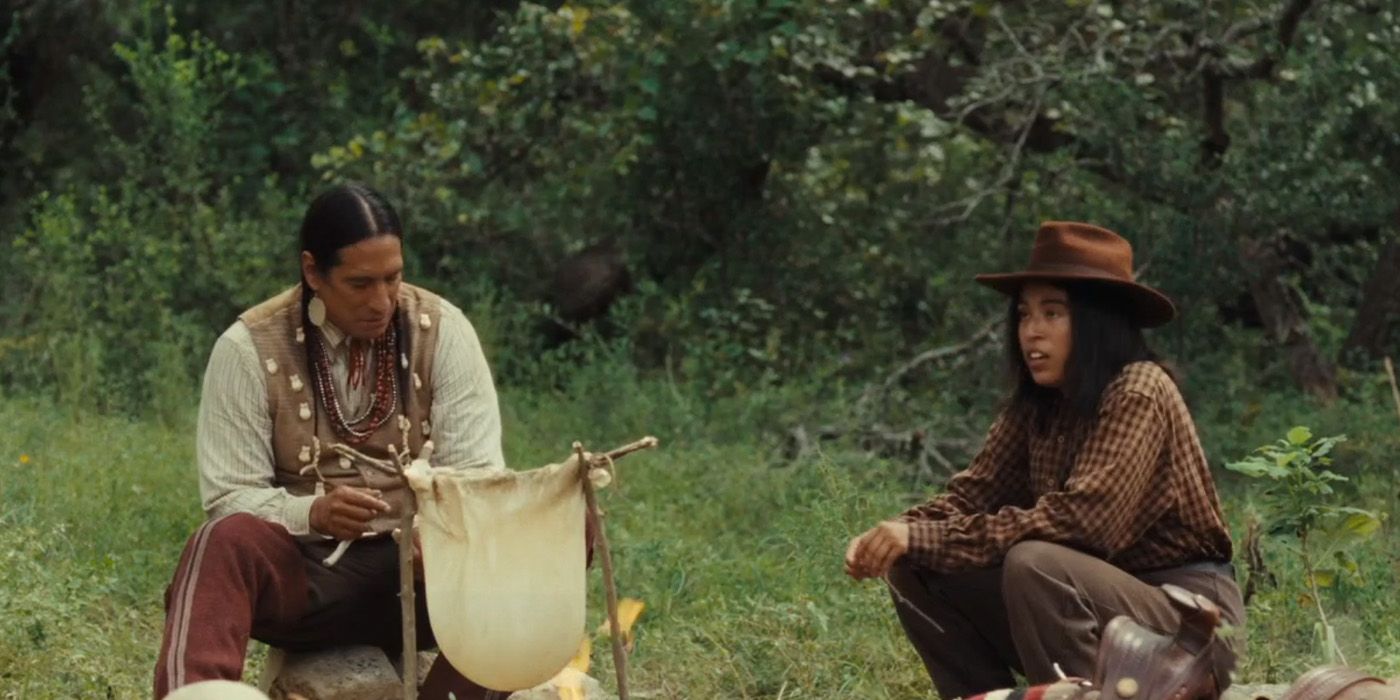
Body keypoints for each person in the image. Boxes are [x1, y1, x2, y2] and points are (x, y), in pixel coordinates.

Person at [844, 221, 1246, 698]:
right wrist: (895, 534)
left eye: (1053, 313)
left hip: (1189, 622)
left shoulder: (1139, 389)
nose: (1031, 332)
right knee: (916, 563)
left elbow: (1085, 525)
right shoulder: (1038, 403)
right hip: (1096, 603)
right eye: (1023, 315)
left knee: (1034, 564)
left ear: (1097, 322)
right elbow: (973, 494)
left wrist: (925, 535)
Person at [153, 184, 511, 699]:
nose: (382, 301)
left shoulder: (444, 330)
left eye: (394, 278)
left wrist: (445, 536)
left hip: (436, 589)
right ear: (312, 272)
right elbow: (231, 496)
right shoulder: (246, 347)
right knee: (222, 541)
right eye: (360, 283)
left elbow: (478, 473)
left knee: (562, 525)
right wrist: (313, 514)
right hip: (311, 581)